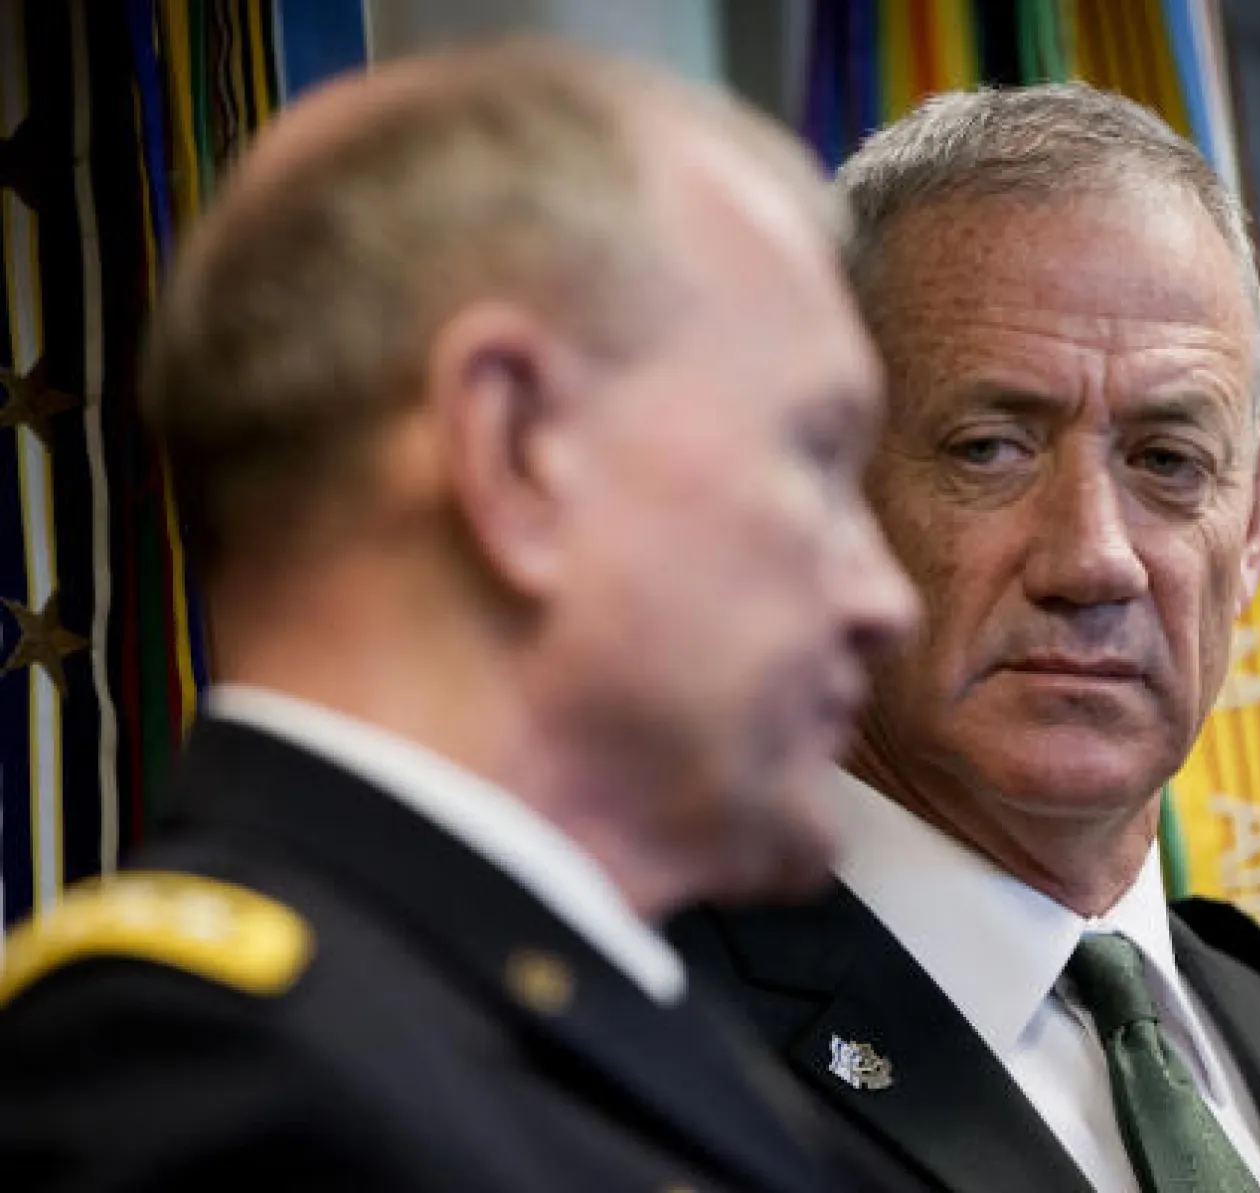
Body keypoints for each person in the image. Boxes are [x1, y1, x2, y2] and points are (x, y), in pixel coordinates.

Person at [0, 38, 920, 1192]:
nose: (885, 600)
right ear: (516, 449)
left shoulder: (552, 1035)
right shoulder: (202, 1076)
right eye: (816, 455)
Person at [672, 83, 1260, 1192]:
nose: (1095, 560)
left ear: (1255, 523)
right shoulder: (629, 1038)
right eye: (990, 448)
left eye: (1167, 462)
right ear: (826, 474)